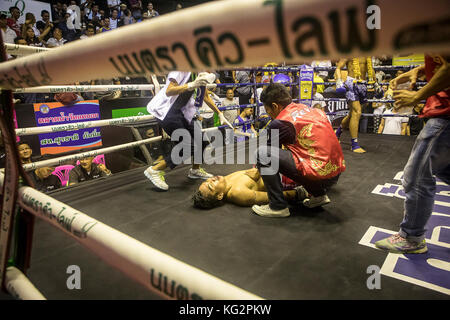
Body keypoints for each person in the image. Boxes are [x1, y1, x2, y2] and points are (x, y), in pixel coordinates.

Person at [375, 54, 450, 254]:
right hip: (443, 112)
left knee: (416, 176)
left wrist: (417, 96)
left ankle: (412, 236)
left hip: (445, 115)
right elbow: (442, 61)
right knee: (444, 170)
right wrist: (419, 70)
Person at [251, 83, 346, 217]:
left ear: (274, 106)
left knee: (262, 154)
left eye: (268, 111)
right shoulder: (306, 108)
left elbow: (270, 154)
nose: (269, 115)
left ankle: (277, 206)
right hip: (336, 172)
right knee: (302, 156)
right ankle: (319, 196)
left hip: (319, 175)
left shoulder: (279, 122)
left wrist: (257, 170)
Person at [144, 71, 234, 191]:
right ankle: (155, 170)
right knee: (188, 146)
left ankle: (195, 170)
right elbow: (169, 91)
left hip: (183, 112)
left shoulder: (199, 75)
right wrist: (191, 85)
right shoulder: (182, 69)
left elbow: (205, 96)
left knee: (201, 140)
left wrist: (220, 113)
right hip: (167, 112)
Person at [193, 167, 308, 208]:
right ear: (219, 195)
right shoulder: (238, 193)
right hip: (285, 178)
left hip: (273, 168)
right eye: (211, 185)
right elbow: (273, 196)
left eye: (207, 180)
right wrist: (299, 193)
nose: (211, 179)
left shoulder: (224, 181)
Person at [334, 57, 376, 153]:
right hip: (351, 84)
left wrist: (376, 83)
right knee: (357, 112)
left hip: (363, 84)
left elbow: (370, 69)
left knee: (352, 114)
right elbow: (338, 68)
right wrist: (339, 82)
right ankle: (354, 145)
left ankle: (338, 133)